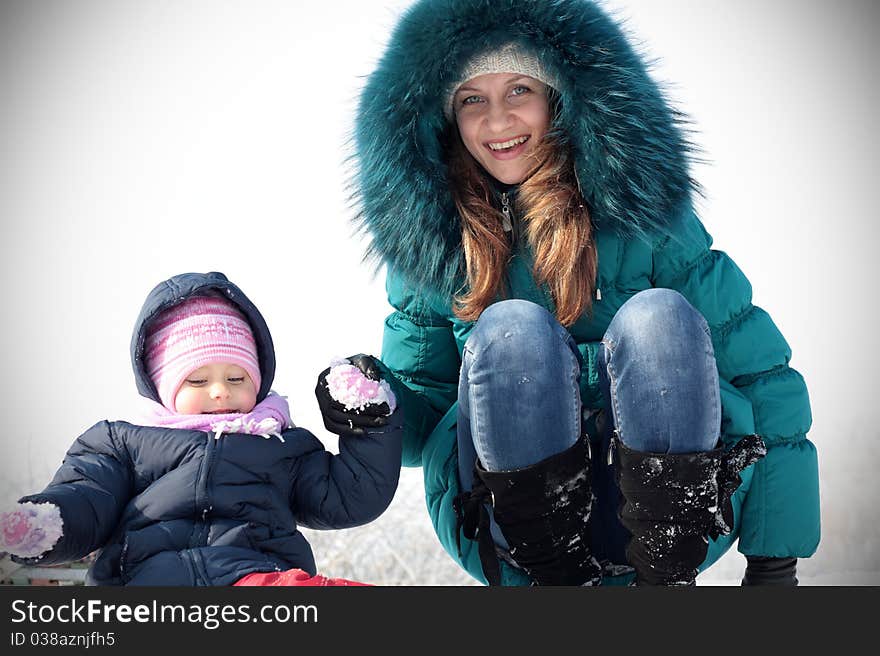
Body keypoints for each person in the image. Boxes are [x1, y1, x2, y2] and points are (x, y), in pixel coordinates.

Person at [326, 0, 819, 586]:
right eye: (472, 99)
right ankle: (556, 583)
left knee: (656, 317)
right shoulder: (438, 248)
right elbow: (421, 418)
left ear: (560, 98)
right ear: (446, 120)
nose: (499, 121)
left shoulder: (650, 224)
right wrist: (376, 410)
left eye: (519, 90)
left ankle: (665, 575)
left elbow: (764, 380)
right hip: (511, 520)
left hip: (672, 513)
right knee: (512, 330)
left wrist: (774, 560)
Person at [0, 271, 401, 586]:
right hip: (147, 587)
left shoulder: (282, 446)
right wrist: (48, 524)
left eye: (237, 378)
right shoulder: (122, 443)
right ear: (162, 385)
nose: (219, 392)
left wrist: (368, 424)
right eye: (196, 381)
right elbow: (89, 497)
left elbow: (352, 496)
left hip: (262, 581)